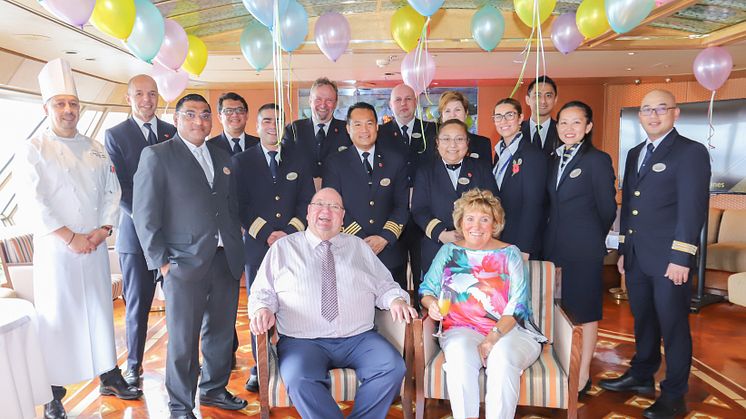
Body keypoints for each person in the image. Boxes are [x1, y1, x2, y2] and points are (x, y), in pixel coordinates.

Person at [15, 58, 140, 419]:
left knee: (100, 312)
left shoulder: (95, 147)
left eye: (72, 103)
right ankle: (53, 393)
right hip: (58, 252)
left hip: (95, 246)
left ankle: (109, 374)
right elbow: (34, 200)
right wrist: (70, 237)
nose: (68, 110)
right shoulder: (33, 149)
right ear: (46, 108)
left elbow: (111, 191)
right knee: (57, 319)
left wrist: (102, 231)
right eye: (60, 103)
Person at [249, 187, 419, 419]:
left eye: (334, 207)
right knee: (299, 378)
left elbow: (384, 285)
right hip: (303, 341)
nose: (326, 211)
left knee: (392, 367)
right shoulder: (283, 248)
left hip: (358, 338)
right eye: (320, 204)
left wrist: (397, 299)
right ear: (308, 212)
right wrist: (262, 308)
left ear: (342, 216)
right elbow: (262, 291)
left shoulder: (359, 247)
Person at [133, 93, 247, 418]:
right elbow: (145, 215)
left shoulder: (223, 157)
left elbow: (230, 204)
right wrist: (163, 264)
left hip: (225, 260)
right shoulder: (157, 156)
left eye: (206, 115)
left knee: (222, 332)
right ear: (178, 119)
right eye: (192, 114)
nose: (200, 121)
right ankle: (180, 405)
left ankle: (214, 390)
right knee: (184, 341)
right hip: (182, 264)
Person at [599, 90, 711, 419]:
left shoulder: (691, 152)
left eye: (661, 108)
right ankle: (641, 374)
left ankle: (674, 394)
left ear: (675, 113)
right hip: (637, 257)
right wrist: (623, 250)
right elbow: (630, 206)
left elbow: (693, 210)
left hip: (668, 261)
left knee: (673, 326)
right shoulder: (635, 153)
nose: (653, 114)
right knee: (644, 320)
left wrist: (681, 257)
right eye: (647, 109)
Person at [419, 189, 546, 419]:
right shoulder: (448, 251)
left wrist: (493, 338)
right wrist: (432, 305)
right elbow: (426, 290)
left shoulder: (510, 254)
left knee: (502, 358)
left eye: (484, 219)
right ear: (460, 222)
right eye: (470, 218)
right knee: (458, 358)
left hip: (509, 331)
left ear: (495, 223)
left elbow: (518, 306)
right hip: (461, 329)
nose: (476, 226)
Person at [231, 102, 314, 392]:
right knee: (260, 308)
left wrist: (288, 232)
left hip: (293, 247)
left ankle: (293, 360)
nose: (272, 126)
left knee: (295, 303)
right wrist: (267, 233)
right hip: (257, 247)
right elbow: (240, 206)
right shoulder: (242, 161)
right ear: (257, 126)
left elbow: (307, 202)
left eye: (278, 121)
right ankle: (260, 366)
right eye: (266, 120)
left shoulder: (298, 159)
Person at [105, 74, 177, 386]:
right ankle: (133, 365)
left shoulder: (171, 132)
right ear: (128, 97)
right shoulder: (115, 135)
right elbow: (119, 188)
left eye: (152, 93)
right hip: (134, 237)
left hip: (173, 236)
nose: (147, 100)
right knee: (137, 305)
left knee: (179, 304)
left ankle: (181, 364)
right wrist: (147, 221)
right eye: (139, 94)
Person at [542, 101, 617, 396]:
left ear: (588, 127)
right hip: (554, 246)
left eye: (576, 123)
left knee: (585, 311)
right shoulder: (553, 159)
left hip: (584, 248)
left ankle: (583, 374)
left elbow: (607, 208)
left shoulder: (597, 160)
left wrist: (590, 238)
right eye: (563, 123)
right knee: (561, 309)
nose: (568, 129)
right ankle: (562, 364)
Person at [323, 102, 409, 287]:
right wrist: (361, 241)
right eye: (357, 124)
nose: (364, 130)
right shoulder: (335, 163)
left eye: (369, 123)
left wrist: (384, 238)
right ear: (348, 129)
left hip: (389, 251)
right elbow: (332, 206)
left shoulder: (396, 160)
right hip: (350, 250)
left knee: (393, 311)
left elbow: (402, 206)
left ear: (377, 127)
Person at [412, 119, 498, 276]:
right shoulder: (425, 171)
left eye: (459, 139)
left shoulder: (481, 168)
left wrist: (473, 234)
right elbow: (419, 209)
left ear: (467, 143)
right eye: (446, 139)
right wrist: (442, 234)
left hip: (476, 251)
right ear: (437, 143)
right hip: (437, 248)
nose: (453, 145)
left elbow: (494, 206)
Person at [378, 83, 437, 291]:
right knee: (394, 274)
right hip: (392, 215)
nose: (403, 104)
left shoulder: (432, 130)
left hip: (425, 216)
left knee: (426, 272)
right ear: (390, 104)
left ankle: (425, 316)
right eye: (398, 100)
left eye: (408, 99)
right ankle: (400, 320)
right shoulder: (379, 134)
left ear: (416, 102)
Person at [492, 98, 547, 259]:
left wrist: (524, 247)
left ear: (521, 118)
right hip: (500, 237)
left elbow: (534, 203)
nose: (504, 121)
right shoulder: (500, 152)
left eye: (509, 115)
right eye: (498, 116)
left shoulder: (532, 155)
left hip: (520, 242)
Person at [282, 77, 351, 187]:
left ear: (336, 103)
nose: (323, 105)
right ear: (310, 101)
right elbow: (285, 165)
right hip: (302, 198)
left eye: (329, 100)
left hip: (338, 197)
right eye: (318, 99)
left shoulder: (348, 131)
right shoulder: (294, 130)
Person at [438, 90, 492, 168]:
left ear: (466, 113)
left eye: (457, 110)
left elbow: (487, 175)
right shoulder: (431, 144)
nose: (453, 115)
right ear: (442, 116)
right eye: (447, 111)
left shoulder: (482, 143)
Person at [521, 75, 560, 157]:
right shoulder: (516, 130)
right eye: (538, 95)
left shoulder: (562, 130)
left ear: (555, 100)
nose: (543, 101)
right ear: (527, 100)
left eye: (548, 95)